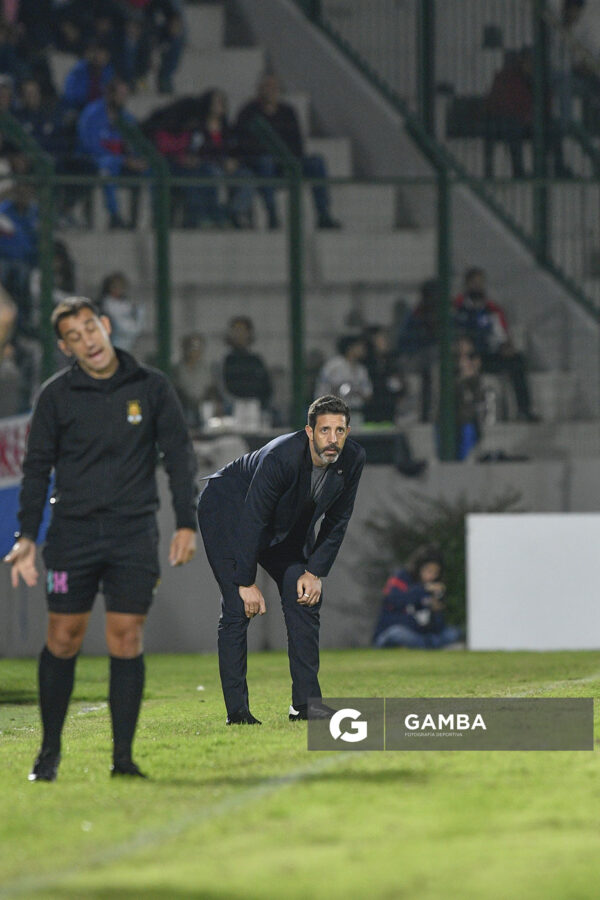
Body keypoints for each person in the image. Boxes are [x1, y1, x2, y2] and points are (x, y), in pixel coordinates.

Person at [3, 296, 197, 782]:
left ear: (106, 326)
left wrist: (186, 523)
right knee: (63, 638)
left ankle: (123, 760)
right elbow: (35, 471)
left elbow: (179, 456)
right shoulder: (55, 396)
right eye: (74, 336)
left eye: (90, 327)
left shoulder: (151, 387)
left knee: (126, 637)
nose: (86, 339)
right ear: (66, 348)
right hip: (73, 535)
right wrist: (27, 535)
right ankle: (48, 753)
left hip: (133, 533)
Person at [197, 394, 365, 724]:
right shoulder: (281, 456)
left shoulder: (353, 458)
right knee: (236, 607)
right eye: (325, 430)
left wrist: (315, 572)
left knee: (304, 598)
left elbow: (338, 519)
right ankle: (238, 713)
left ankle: (305, 706)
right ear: (309, 432)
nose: (333, 440)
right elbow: (253, 518)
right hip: (229, 511)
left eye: (340, 431)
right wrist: (245, 582)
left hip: (285, 526)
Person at [236, 73, 341, 230]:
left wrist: (287, 159)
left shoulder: (288, 111)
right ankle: (272, 214)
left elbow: (297, 144)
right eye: (266, 87)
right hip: (261, 164)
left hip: (287, 162)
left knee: (316, 161)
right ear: (259, 89)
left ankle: (323, 213)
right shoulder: (248, 112)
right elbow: (243, 144)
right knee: (266, 161)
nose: (270, 91)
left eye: (274, 87)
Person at [453, 267, 538, 422]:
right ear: (467, 284)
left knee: (517, 360)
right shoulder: (457, 307)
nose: (478, 286)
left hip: (488, 356)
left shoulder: (492, 309)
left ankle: (524, 410)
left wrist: (506, 346)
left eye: (481, 283)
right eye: (474, 283)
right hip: (466, 357)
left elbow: (503, 335)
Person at [484, 46, 570, 178]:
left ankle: (557, 168)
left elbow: (547, 105)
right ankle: (518, 171)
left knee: (553, 127)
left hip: (529, 121)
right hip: (505, 121)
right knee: (512, 127)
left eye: (535, 61)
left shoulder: (540, 79)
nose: (532, 64)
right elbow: (503, 105)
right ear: (522, 61)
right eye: (529, 61)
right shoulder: (506, 76)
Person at [77, 77, 149, 228]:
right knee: (107, 166)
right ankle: (114, 215)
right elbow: (89, 145)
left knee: (147, 169)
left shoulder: (127, 118)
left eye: (126, 95)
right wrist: (123, 160)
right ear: (109, 95)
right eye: (120, 94)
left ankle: (145, 220)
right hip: (91, 160)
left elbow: (135, 145)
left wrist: (136, 160)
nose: (124, 99)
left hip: (120, 162)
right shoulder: (92, 114)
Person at [372, 545, 463, 649]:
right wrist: (423, 589)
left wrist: (436, 611)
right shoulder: (401, 578)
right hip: (397, 630)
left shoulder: (436, 588)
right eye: (428, 571)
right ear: (419, 568)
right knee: (397, 634)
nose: (431, 576)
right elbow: (395, 601)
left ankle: (425, 645)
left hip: (420, 634)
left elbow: (437, 627)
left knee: (452, 633)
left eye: (435, 572)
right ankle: (430, 646)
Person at [220, 315, 272, 413]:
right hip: (233, 408)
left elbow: (267, 388)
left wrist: (259, 404)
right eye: (236, 331)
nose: (239, 334)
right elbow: (223, 389)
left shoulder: (256, 360)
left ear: (249, 333)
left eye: (243, 330)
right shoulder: (225, 361)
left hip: (257, 407)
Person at [314, 334, 372, 423]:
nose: (362, 349)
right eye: (359, 346)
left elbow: (368, 394)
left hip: (356, 413)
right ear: (350, 348)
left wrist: (356, 391)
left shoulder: (361, 369)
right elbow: (323, 391)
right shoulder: (333, 366)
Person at [172, 332, 221, 429]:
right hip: (184, 408)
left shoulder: (206, 369)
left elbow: (211, 388)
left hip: (203, 407)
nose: (194, 350)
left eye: (198, 347)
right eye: (191, 347)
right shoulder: (177, 369)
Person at [99, 271, 145, 352]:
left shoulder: (126, 304)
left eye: (121, 287)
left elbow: (136, 324)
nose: (118, 289)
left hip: (128, 342)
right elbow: (119, 325)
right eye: (114, 286)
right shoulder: (107, 304)